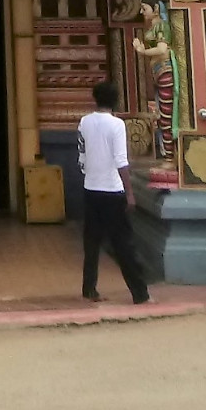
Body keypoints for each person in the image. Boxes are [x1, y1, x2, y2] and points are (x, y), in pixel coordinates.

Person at [76, 81, 149, 305]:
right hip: (112, 190)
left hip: (91, 188)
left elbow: (82, 155)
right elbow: (121, 161)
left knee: (91, 242)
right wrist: (129, 193)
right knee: (123, 244)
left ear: (95, 98)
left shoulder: (84, 122)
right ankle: (140, 293)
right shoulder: (116, 125)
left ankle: (89, 289)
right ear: (115, 100)